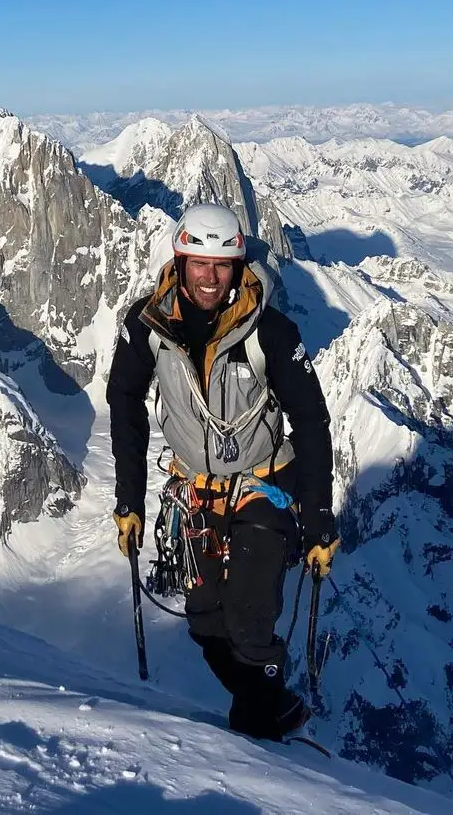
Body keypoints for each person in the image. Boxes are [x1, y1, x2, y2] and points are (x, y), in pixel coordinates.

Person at [107, 202, 338, 740]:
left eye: (222, 265)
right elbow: (125, 404)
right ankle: (273, 710)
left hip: (264, 486)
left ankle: (257, 745)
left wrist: (318, 520)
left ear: (239, 267)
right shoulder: (147, 326)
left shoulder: (272, 333)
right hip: (196, 491)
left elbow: (310, 420)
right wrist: (129, 501)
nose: (210, 278)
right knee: (206, 623)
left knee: (249, 623)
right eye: (199, 263)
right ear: (180, 260)